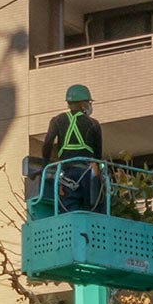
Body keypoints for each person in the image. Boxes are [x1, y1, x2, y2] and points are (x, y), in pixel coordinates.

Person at [41, 84, 105, 212]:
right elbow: (98, 154)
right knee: (93, 207)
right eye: (89, 102)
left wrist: (46, 165)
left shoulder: (57, 120)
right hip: (88, 172)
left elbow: (47, 144)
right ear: (82, 104)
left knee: (69, 207)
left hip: (67, 173)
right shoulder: (93, 123)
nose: (90, 105)